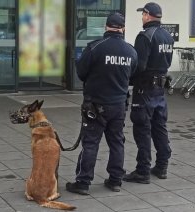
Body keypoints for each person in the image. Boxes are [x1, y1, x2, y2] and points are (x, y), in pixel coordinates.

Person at [66, 12, 137, 194]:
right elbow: (132, 76)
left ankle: (83, 182)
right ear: (123, 28)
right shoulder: (130, 51)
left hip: (95, 105)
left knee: (90, 143)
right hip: (119, 105)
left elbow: (81, 73)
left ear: (106, 27)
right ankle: (115, 180)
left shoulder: (95, 47)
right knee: (117, 143)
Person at [123, 2, 174, 184]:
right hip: (160, 89)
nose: (142, 17)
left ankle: (142, 170)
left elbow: (139, 65)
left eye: (143, 14)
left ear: (147, 15)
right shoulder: (167, 36)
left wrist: (127, 80)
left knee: (142, 129)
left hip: (144, 89)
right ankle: (162, 166)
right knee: (159, 127)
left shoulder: (145, 36)